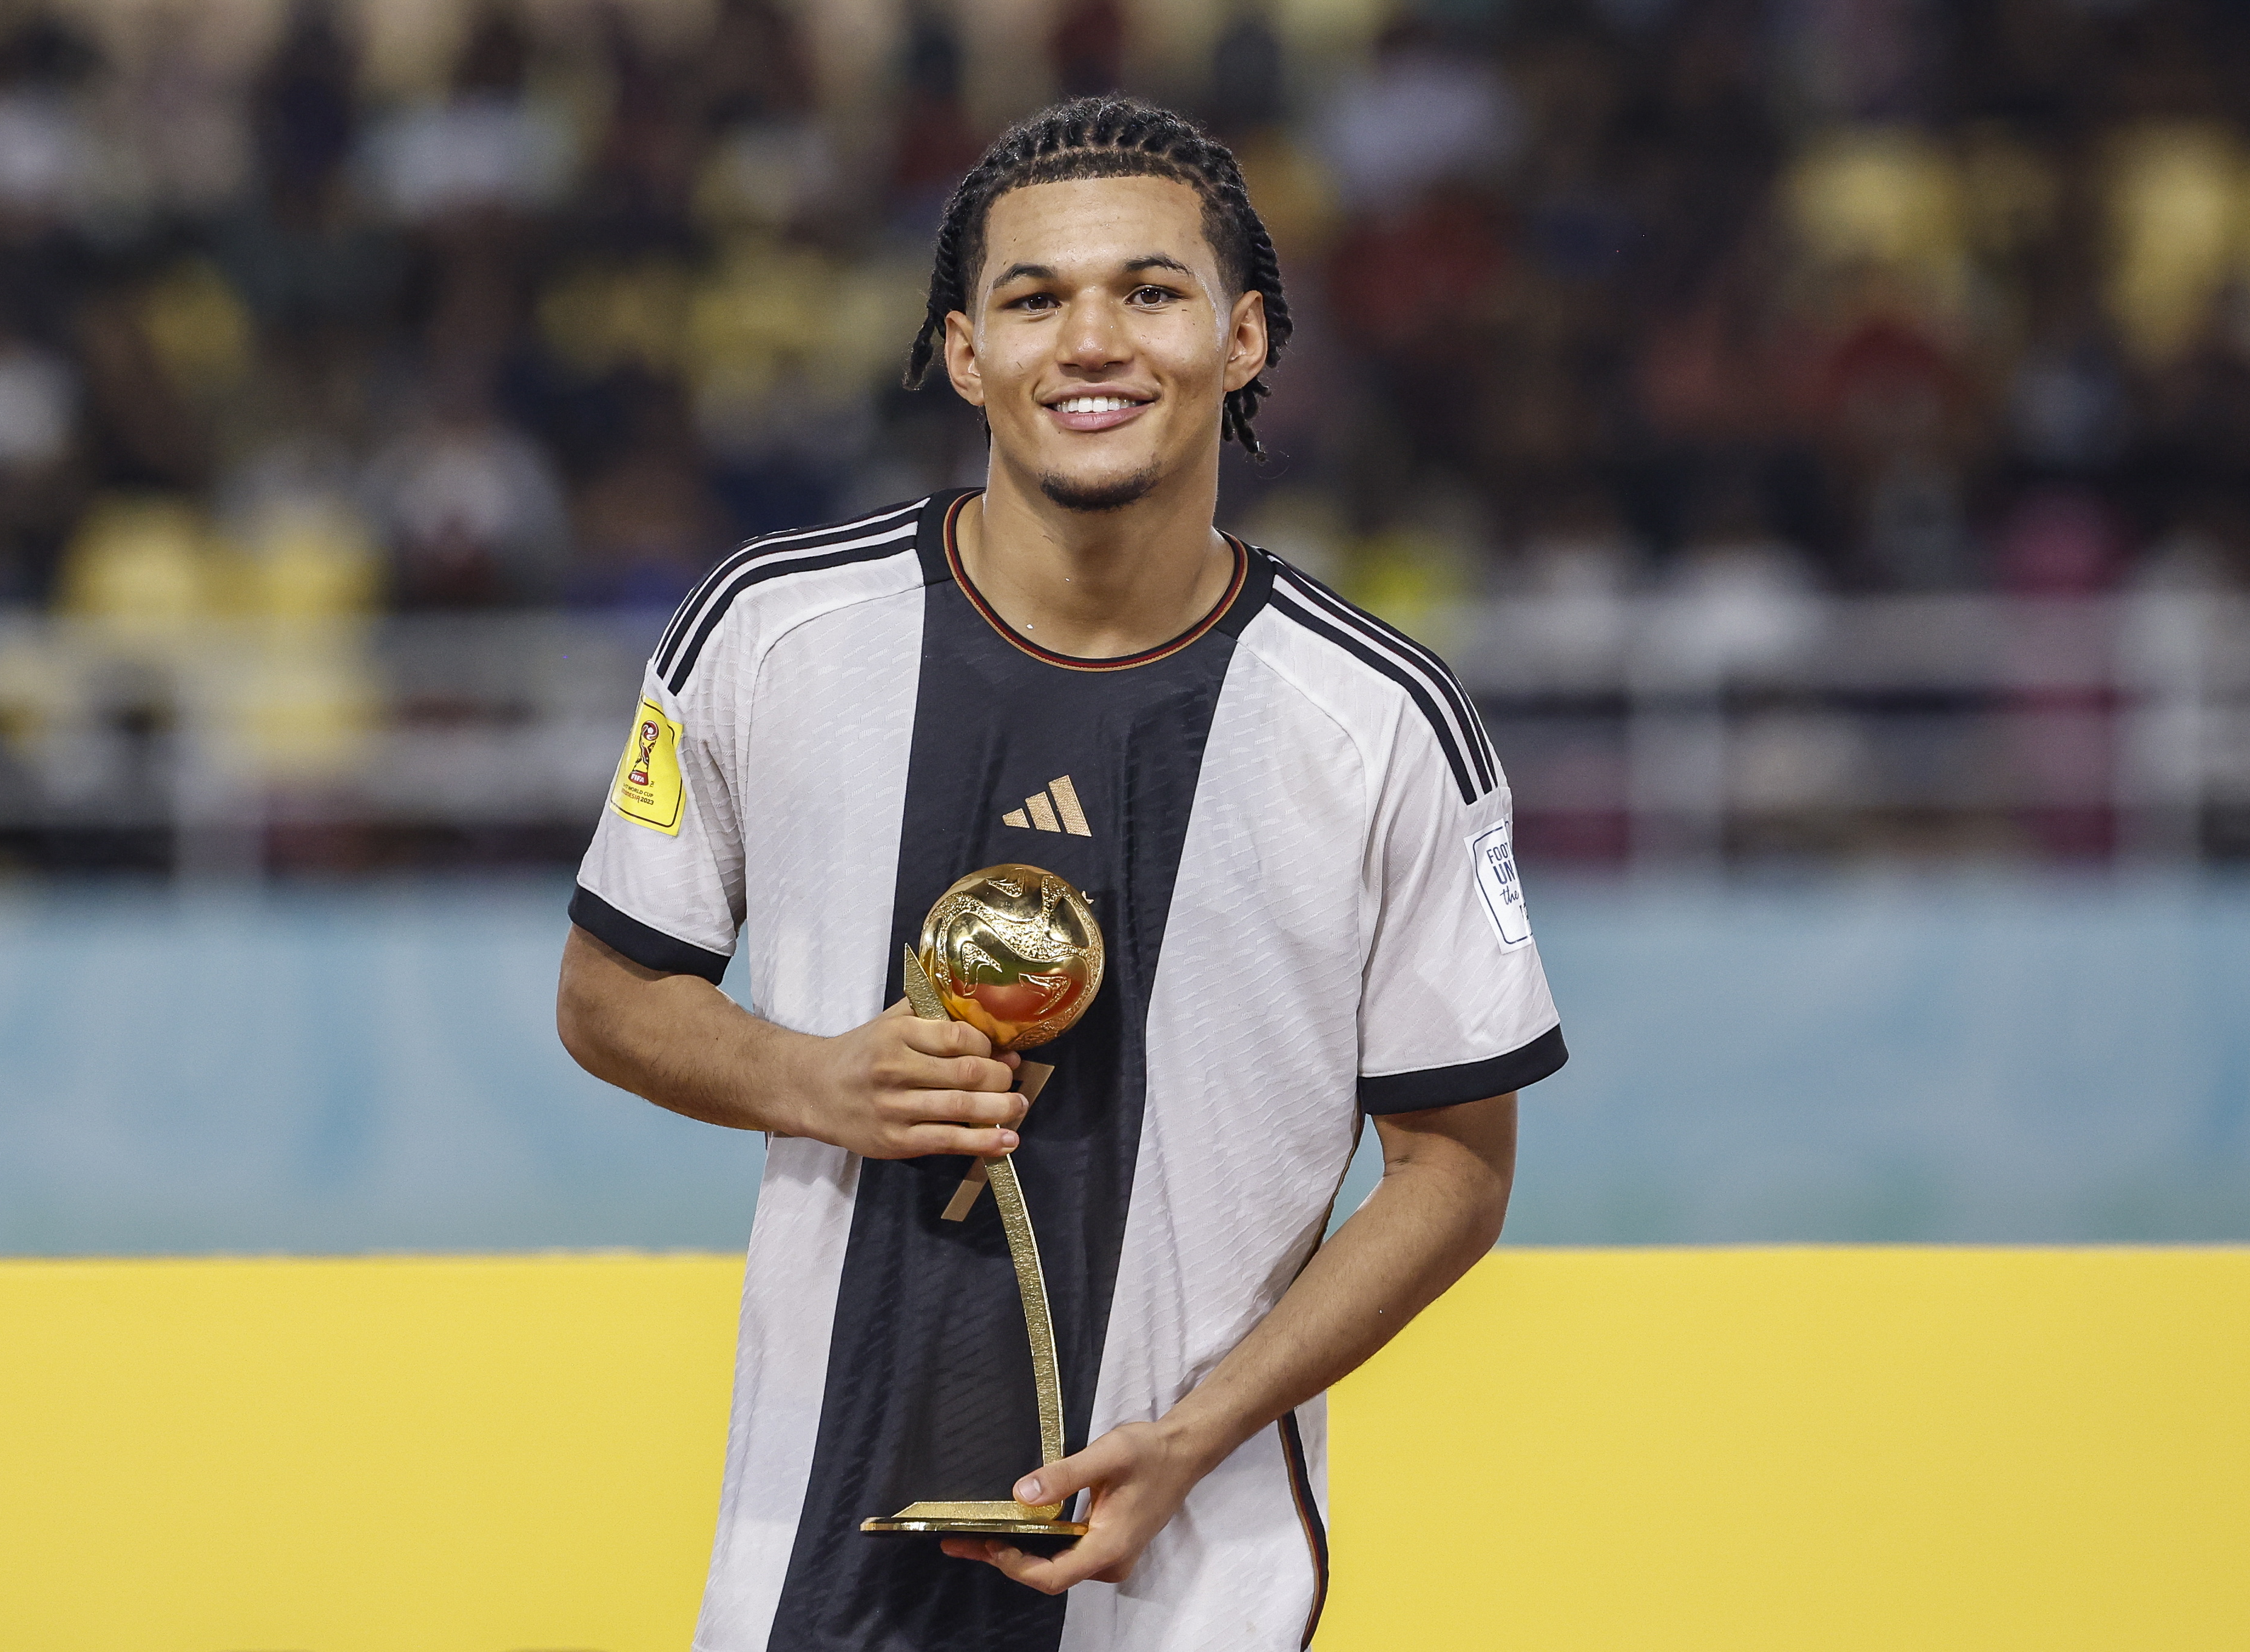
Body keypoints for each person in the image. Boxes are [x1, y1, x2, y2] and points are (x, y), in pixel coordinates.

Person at [557, 95, 1566, 1652]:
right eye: (1034, 299)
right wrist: (810, 1078)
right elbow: (609, 991)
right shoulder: (771, 632)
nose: (1090, 341)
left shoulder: (1379, 724)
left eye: (1149, 293)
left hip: (1186, 1585)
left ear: (1243, 339)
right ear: (965, 353)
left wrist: (1200, 1430)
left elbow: (1455, 1168)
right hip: (805, 1577)